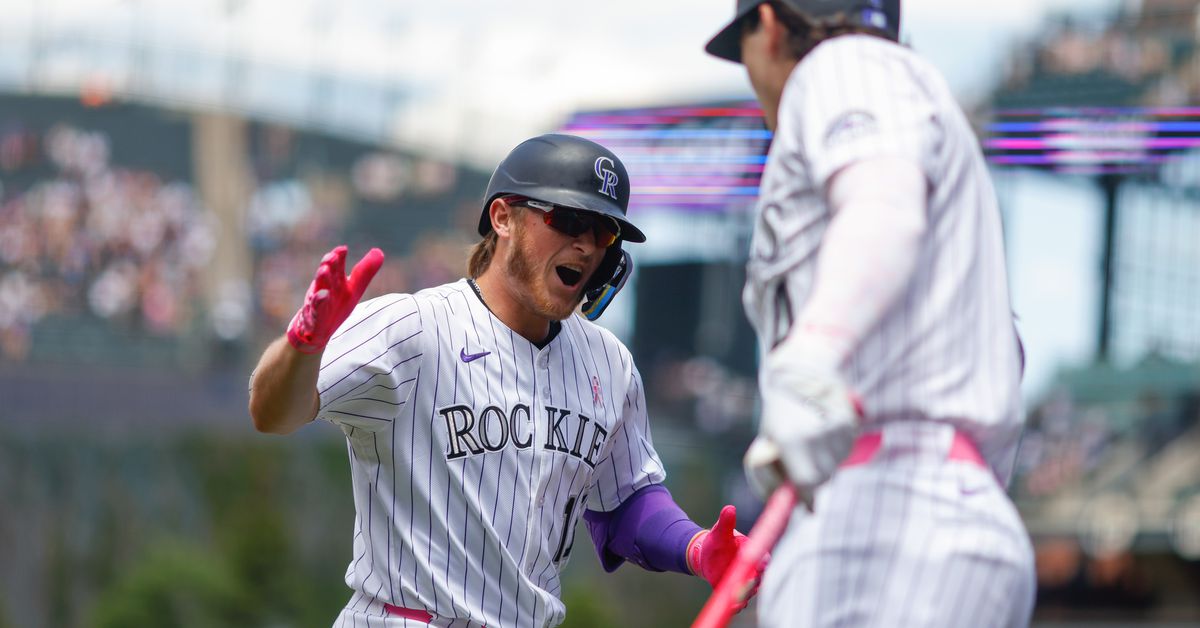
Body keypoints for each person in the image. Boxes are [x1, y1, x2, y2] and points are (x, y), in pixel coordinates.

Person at [248, 133, 762, 627]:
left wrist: (695, 548)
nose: (585, 245)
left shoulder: (609, 363)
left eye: (603, 232)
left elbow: (627, 501)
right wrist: (302, 347)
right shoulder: (414, 327)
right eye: (568, 219)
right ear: (503, 218)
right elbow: (271, 413)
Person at [703, 1, 1035, 626]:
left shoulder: (845, 65)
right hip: (914, 506)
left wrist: (812, 355)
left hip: (896, 508)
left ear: (770, 25)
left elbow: (883, 203)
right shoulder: (911, 96)